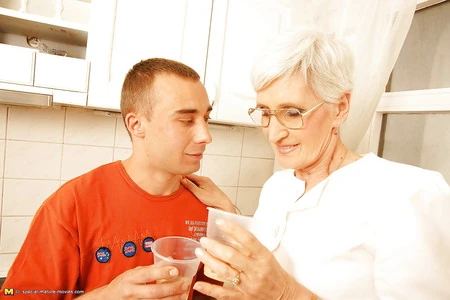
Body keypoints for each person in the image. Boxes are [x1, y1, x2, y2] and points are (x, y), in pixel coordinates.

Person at [181, 30, 450, 300]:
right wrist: (229, 214)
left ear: (340, 108)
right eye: (265, 112)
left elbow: (280, 286)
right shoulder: (279, 185)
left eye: (293, 112)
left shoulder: (409, 194)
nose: (274, 134)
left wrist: (287, 294)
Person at [1, 58, 226, 299]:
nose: (206, 135)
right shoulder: (72, 205)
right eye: (186, 120)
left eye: (206, 119)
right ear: (136, 124)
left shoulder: (211, 206)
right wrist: (107, 295)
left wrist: (230, 217)